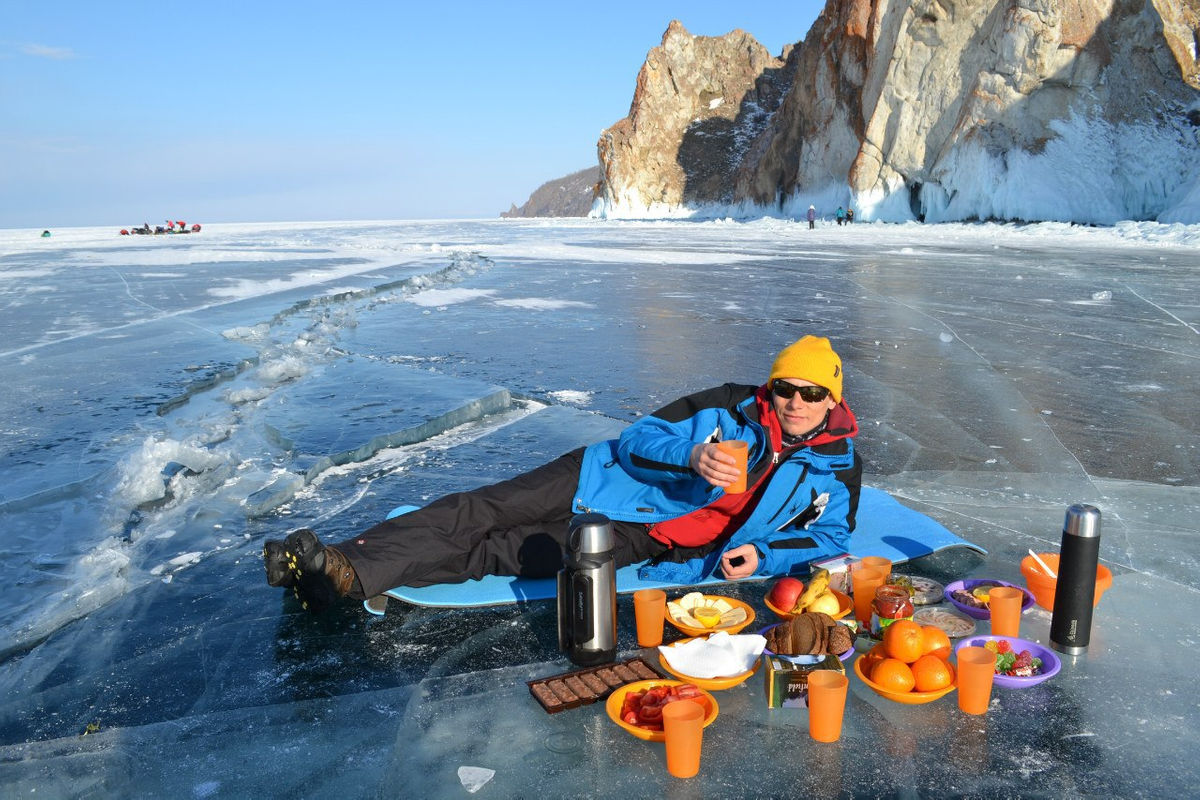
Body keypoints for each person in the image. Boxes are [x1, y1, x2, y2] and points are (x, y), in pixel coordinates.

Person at [263, 336, 863, 612]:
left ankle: (344, 577)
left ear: (831, 399)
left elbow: (831, 537)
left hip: (652, 536)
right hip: (600, 477)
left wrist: (763, 554)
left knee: (502, 553)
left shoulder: (837, 466)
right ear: (772, 386)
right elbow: (638, 438)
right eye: (785, 387)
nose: (795, 402)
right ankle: (338, 562)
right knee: (481, 511)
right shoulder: (728, 407)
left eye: (812, 393)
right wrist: (690, 457)